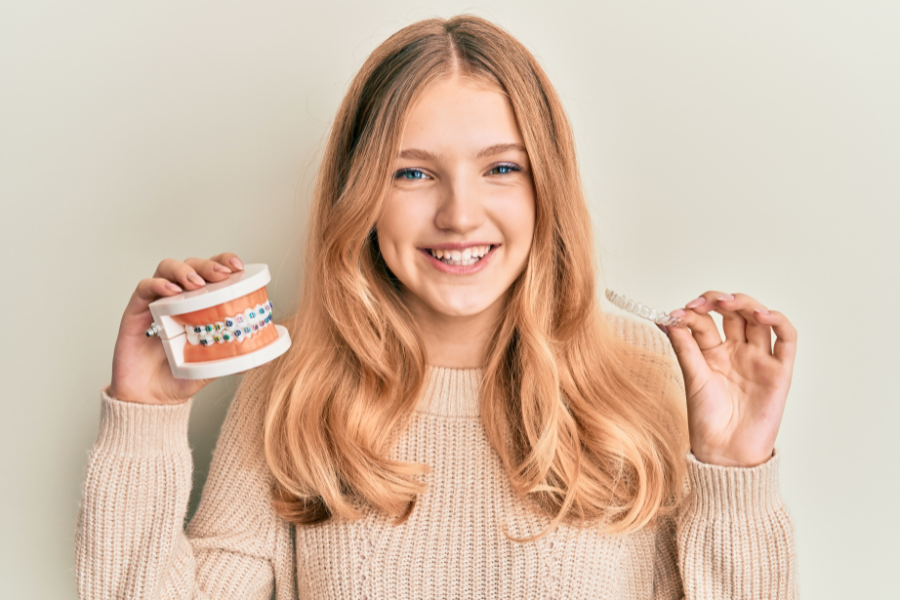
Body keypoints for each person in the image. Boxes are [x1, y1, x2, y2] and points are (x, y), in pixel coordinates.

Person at [76, 15, 798, 599]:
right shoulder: (293, 378)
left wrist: (734, 473)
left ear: (546, 187)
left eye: (501, 169)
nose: (459, 214)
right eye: (413, 171)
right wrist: (146, 417)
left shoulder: (645, 374)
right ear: (362, 194)